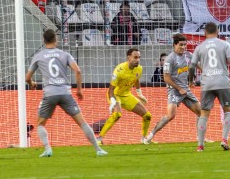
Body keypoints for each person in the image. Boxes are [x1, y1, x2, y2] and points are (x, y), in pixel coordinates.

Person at [25, 29, 106, 157]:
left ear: (44, 40)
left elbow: (27, 78)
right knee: (82, 122)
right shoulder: (64, 54)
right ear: (56, 40)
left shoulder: (38, 56)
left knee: (40, 124)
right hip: (65, 93)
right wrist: (79, 90)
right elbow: (77, 71)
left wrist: (32, 84)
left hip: (50, 94)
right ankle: (98, 149)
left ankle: (47, 149)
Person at [190, 22, 230, 151]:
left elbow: (192, 66)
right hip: (222, 82)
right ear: (218, 31)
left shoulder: (200, 47)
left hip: (207, 83)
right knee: (228, 111)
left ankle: (200, 145)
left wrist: (190, 81)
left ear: (204, 33)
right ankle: (224, 139)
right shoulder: (224, 44)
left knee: (204, 114)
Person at [144, 36, 202, 144]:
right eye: (181, 44)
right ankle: (150, 135)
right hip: (174, 90)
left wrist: (206, 74)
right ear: (174, 45)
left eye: (185, 44)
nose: (183, 47)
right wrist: (179, 89)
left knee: (201, 113)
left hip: (185, 90)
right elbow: (166, 78)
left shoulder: (188, 55)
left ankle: (200, 137)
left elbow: (197, 66)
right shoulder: (170, 59)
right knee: (170, 115)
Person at [96, 48, 152, 144]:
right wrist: (113, 101)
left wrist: (139, 94)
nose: (138, 60)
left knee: (147, 116)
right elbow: (111, 90)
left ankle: (144, 139)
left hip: (126, 95)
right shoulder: (119, 70)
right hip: (115, 95)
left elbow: (136, 79)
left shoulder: (139, 68)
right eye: (135, 57)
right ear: (128, 58)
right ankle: (99, 139)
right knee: (117, 114)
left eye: (139, 57)